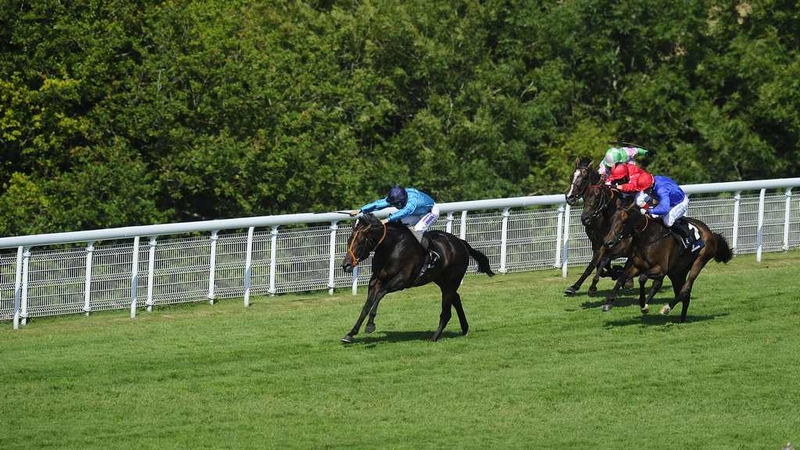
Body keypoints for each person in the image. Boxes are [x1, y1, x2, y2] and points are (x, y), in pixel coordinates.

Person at [605, 163, 703, 252]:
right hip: (669, 199)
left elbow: (664, 208)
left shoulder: (661, 190)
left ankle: (690, 237)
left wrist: (649, 211)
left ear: (651, 187)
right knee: (639, 201)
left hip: (679, 203)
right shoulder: (650, 182)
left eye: (646, 190)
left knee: (667, 222)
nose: (646, 192)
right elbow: (642, 193)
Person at [350, 185, 440, 247]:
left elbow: (404, 212)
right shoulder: (398, 197)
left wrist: (387, 219)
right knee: (399, 224)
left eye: (395, 204)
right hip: (416, 213)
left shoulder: (412, 202)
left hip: (431, 212)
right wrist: (360, 210)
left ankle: (430, 254)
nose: (394, 206)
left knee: (417, 230)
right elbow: (378, 204)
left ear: (402, 201)